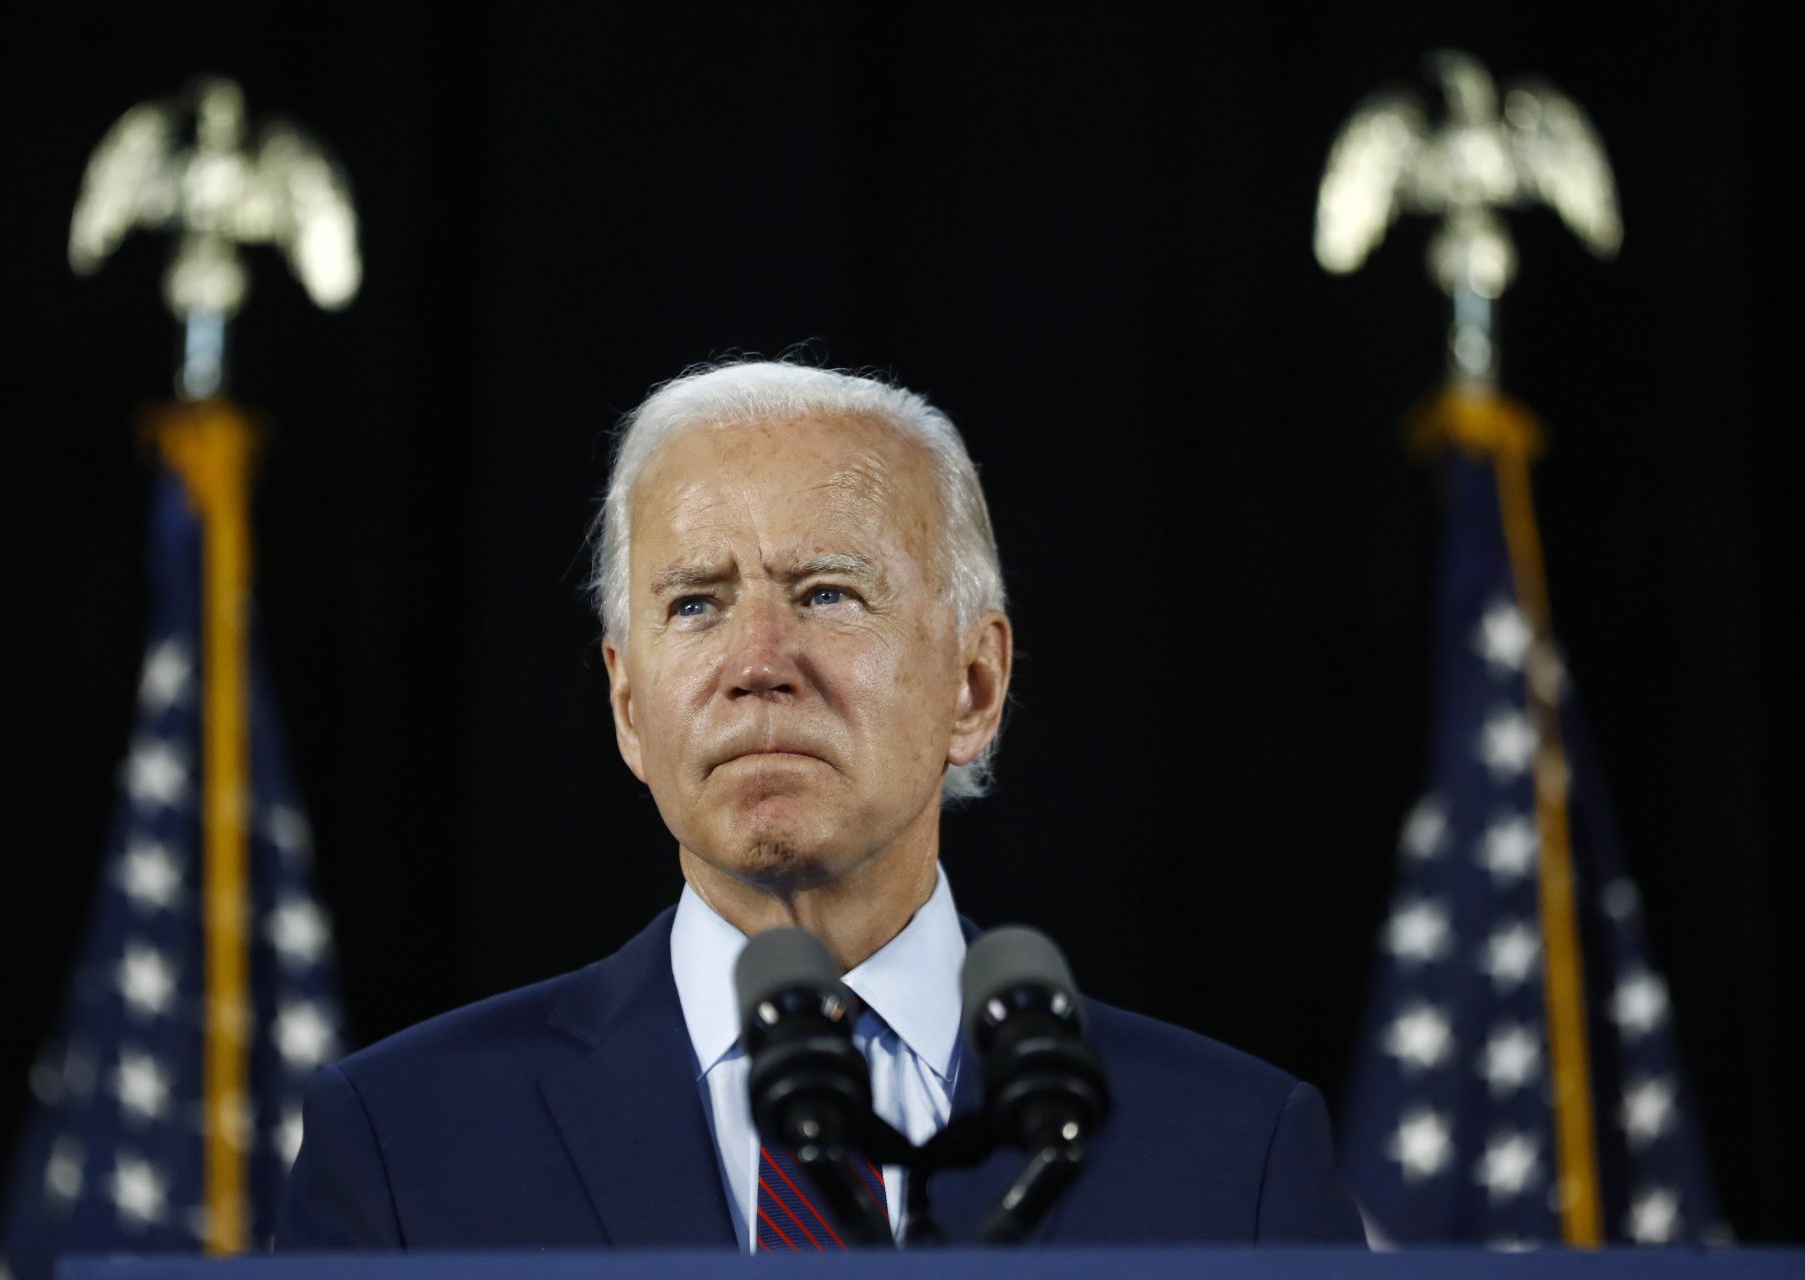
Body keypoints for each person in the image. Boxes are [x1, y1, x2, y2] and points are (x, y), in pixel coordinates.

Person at [277, 361, 1364, 1251]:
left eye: (828, 594)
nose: (758, 663)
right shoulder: (404, 1144)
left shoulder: (1235, 1156)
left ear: (974, 687)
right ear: (628, 706)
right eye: (696, 602)